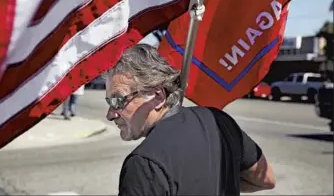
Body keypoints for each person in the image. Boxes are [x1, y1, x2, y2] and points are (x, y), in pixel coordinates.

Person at [104, 44, 276, 196]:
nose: (110, 114)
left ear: (157, 96)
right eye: (109, 102)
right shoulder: (219, 120)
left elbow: (266, 178)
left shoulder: (144, 164)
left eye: (118, 100)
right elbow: (264, 178)